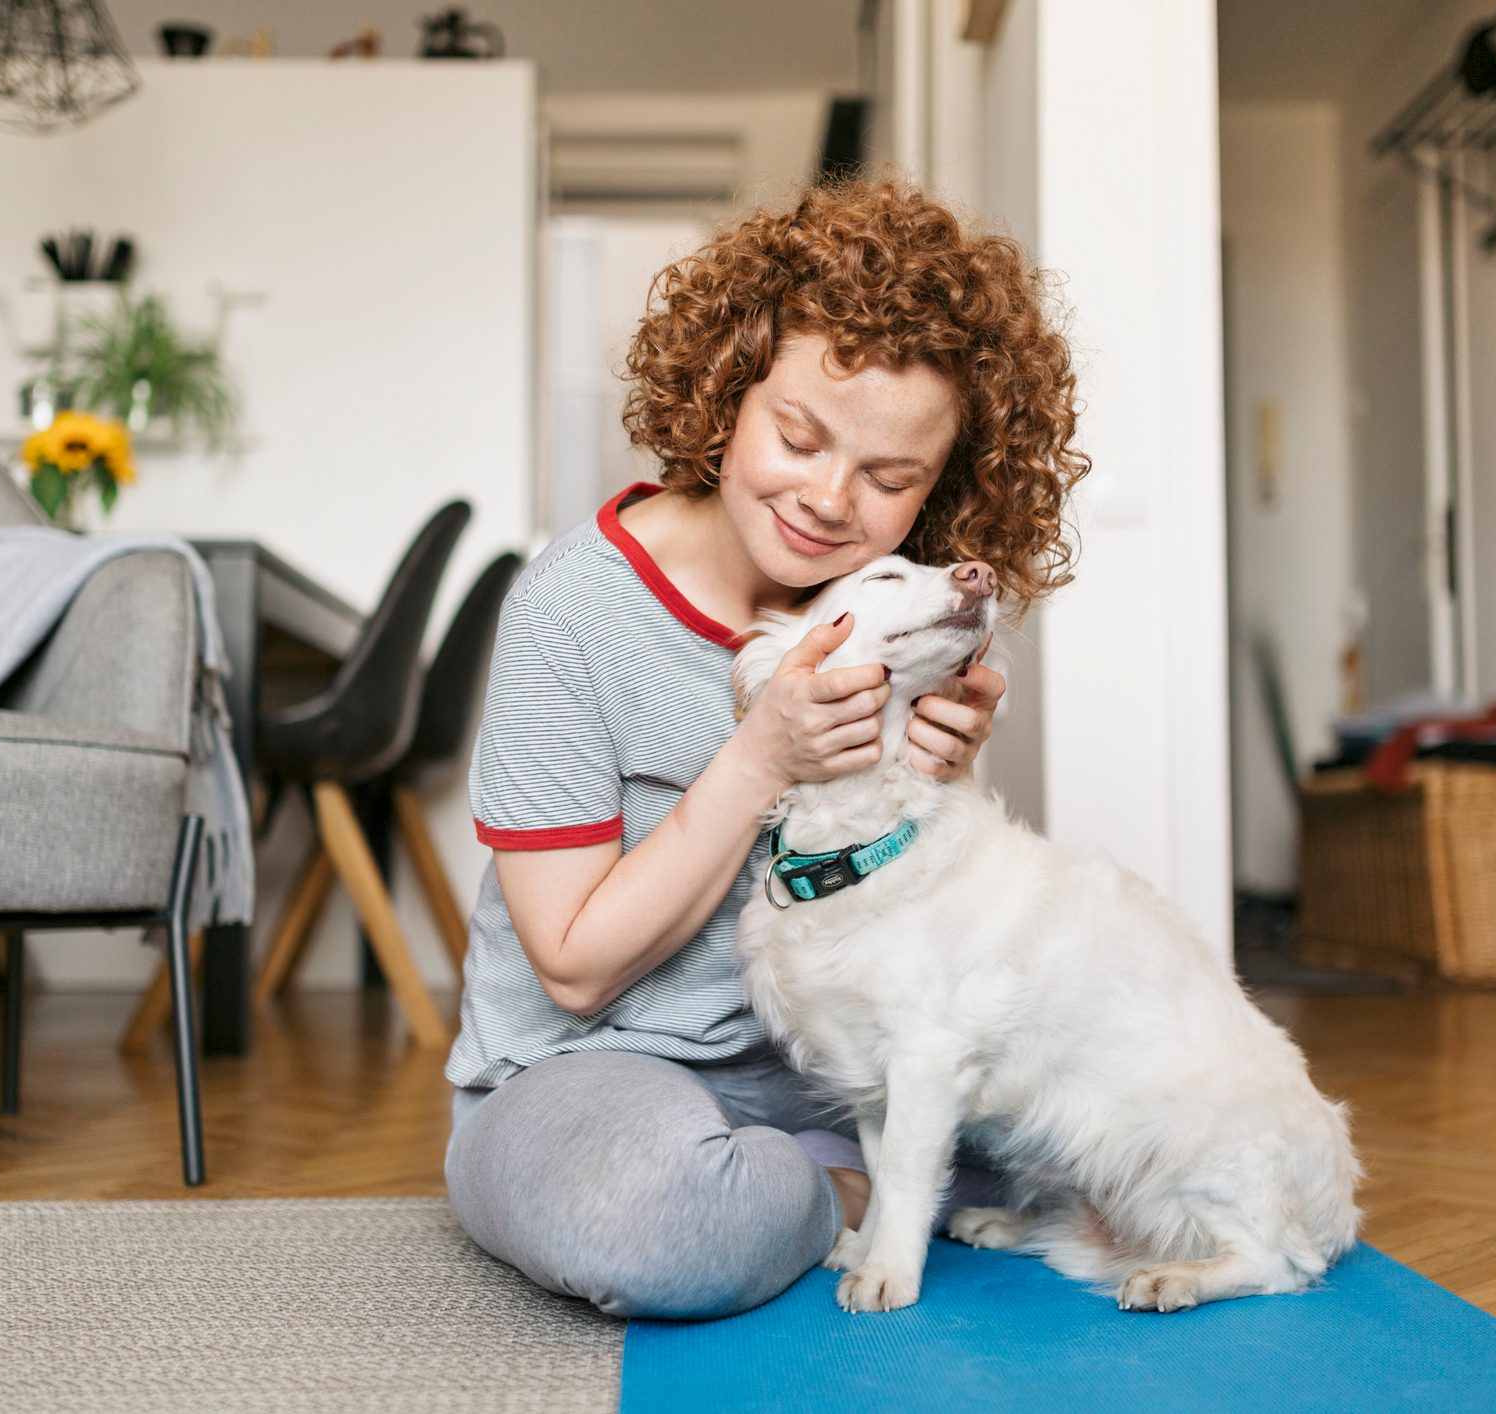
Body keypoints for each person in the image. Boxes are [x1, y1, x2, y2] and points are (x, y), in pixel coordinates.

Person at [444, 174, 1089, 1318]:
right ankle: (846, 1195)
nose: (829, 499)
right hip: (595, 1074)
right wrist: (760, 758)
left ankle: (846, 1179)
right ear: (727, 390)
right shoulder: (572, 610)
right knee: (644, 1216)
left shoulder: (890, 615)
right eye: (798, 436)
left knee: (1089, 1138)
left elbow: (924, 924)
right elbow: (574, 965)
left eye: (891, 478)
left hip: (837, 1071)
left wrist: (942, 765)